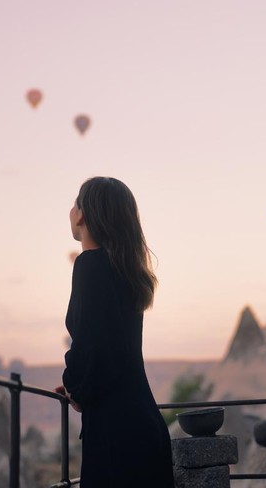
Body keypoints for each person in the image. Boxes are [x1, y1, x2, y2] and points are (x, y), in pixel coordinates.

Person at [56, 177, 174, 487]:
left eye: (74, 203)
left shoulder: (91, 266)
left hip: (116, 433)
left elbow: (92, 346)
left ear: (82, 215)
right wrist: (78, 385)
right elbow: (112, 347)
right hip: (142, 424)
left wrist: (75, 387)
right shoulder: (124, 271)